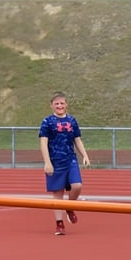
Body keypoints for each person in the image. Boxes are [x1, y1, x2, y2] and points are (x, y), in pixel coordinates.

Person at [39, 92, 90, 236]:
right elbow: (43, 142)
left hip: (70, 159)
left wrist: (85, 155)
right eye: (56, 104)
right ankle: (59, 224)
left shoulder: (72, 120)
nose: (59, 106)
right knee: (58, 194)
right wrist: (47, 162)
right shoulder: (47, 122)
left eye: (62, 103)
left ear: (66, 105)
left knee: (77, 186)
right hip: (55, 162)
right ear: (51, 106)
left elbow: (77, 140)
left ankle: (69, 207)